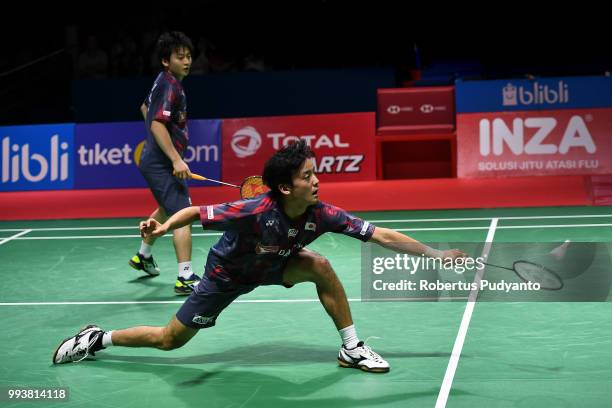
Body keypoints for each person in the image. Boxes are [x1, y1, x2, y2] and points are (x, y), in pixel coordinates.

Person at [54, 141, 465, 372]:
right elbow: (197, 212)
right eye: (307, 176)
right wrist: (161, 229)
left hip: (272, 265)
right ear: (285, 187)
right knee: (169, 341)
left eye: (314, 172)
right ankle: (97, 338)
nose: (317, 180)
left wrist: (434, 253)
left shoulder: (322, 214)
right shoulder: (252, 210)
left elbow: (380, 234)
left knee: (320, 265)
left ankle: (351, 347)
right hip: (226, 275)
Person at [128, 31, 200, 295]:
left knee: (166, 207)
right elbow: (157, 121)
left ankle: (143, 255)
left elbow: (144, 108)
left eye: (189, 56)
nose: (187, 61)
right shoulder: (170, 85)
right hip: (160, 162)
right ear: (165, 61)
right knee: (182, 214)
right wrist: (175, 158)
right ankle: (185, 277)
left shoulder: (165, 82)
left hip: (157, 160)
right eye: (180, 56)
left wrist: (160, 145)